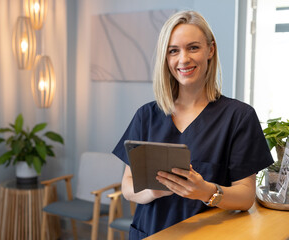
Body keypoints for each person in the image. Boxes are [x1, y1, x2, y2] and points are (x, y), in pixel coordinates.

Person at [112, 10, 273, 239]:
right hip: (149, 233)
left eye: (193, 47)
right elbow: (127, 187)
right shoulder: (146, 115)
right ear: (166, 58)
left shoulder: (239, 117)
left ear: (211, 50)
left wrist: (206, 191)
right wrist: (152, 191)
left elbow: (246, 196)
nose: (183, 59)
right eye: (173, 51)